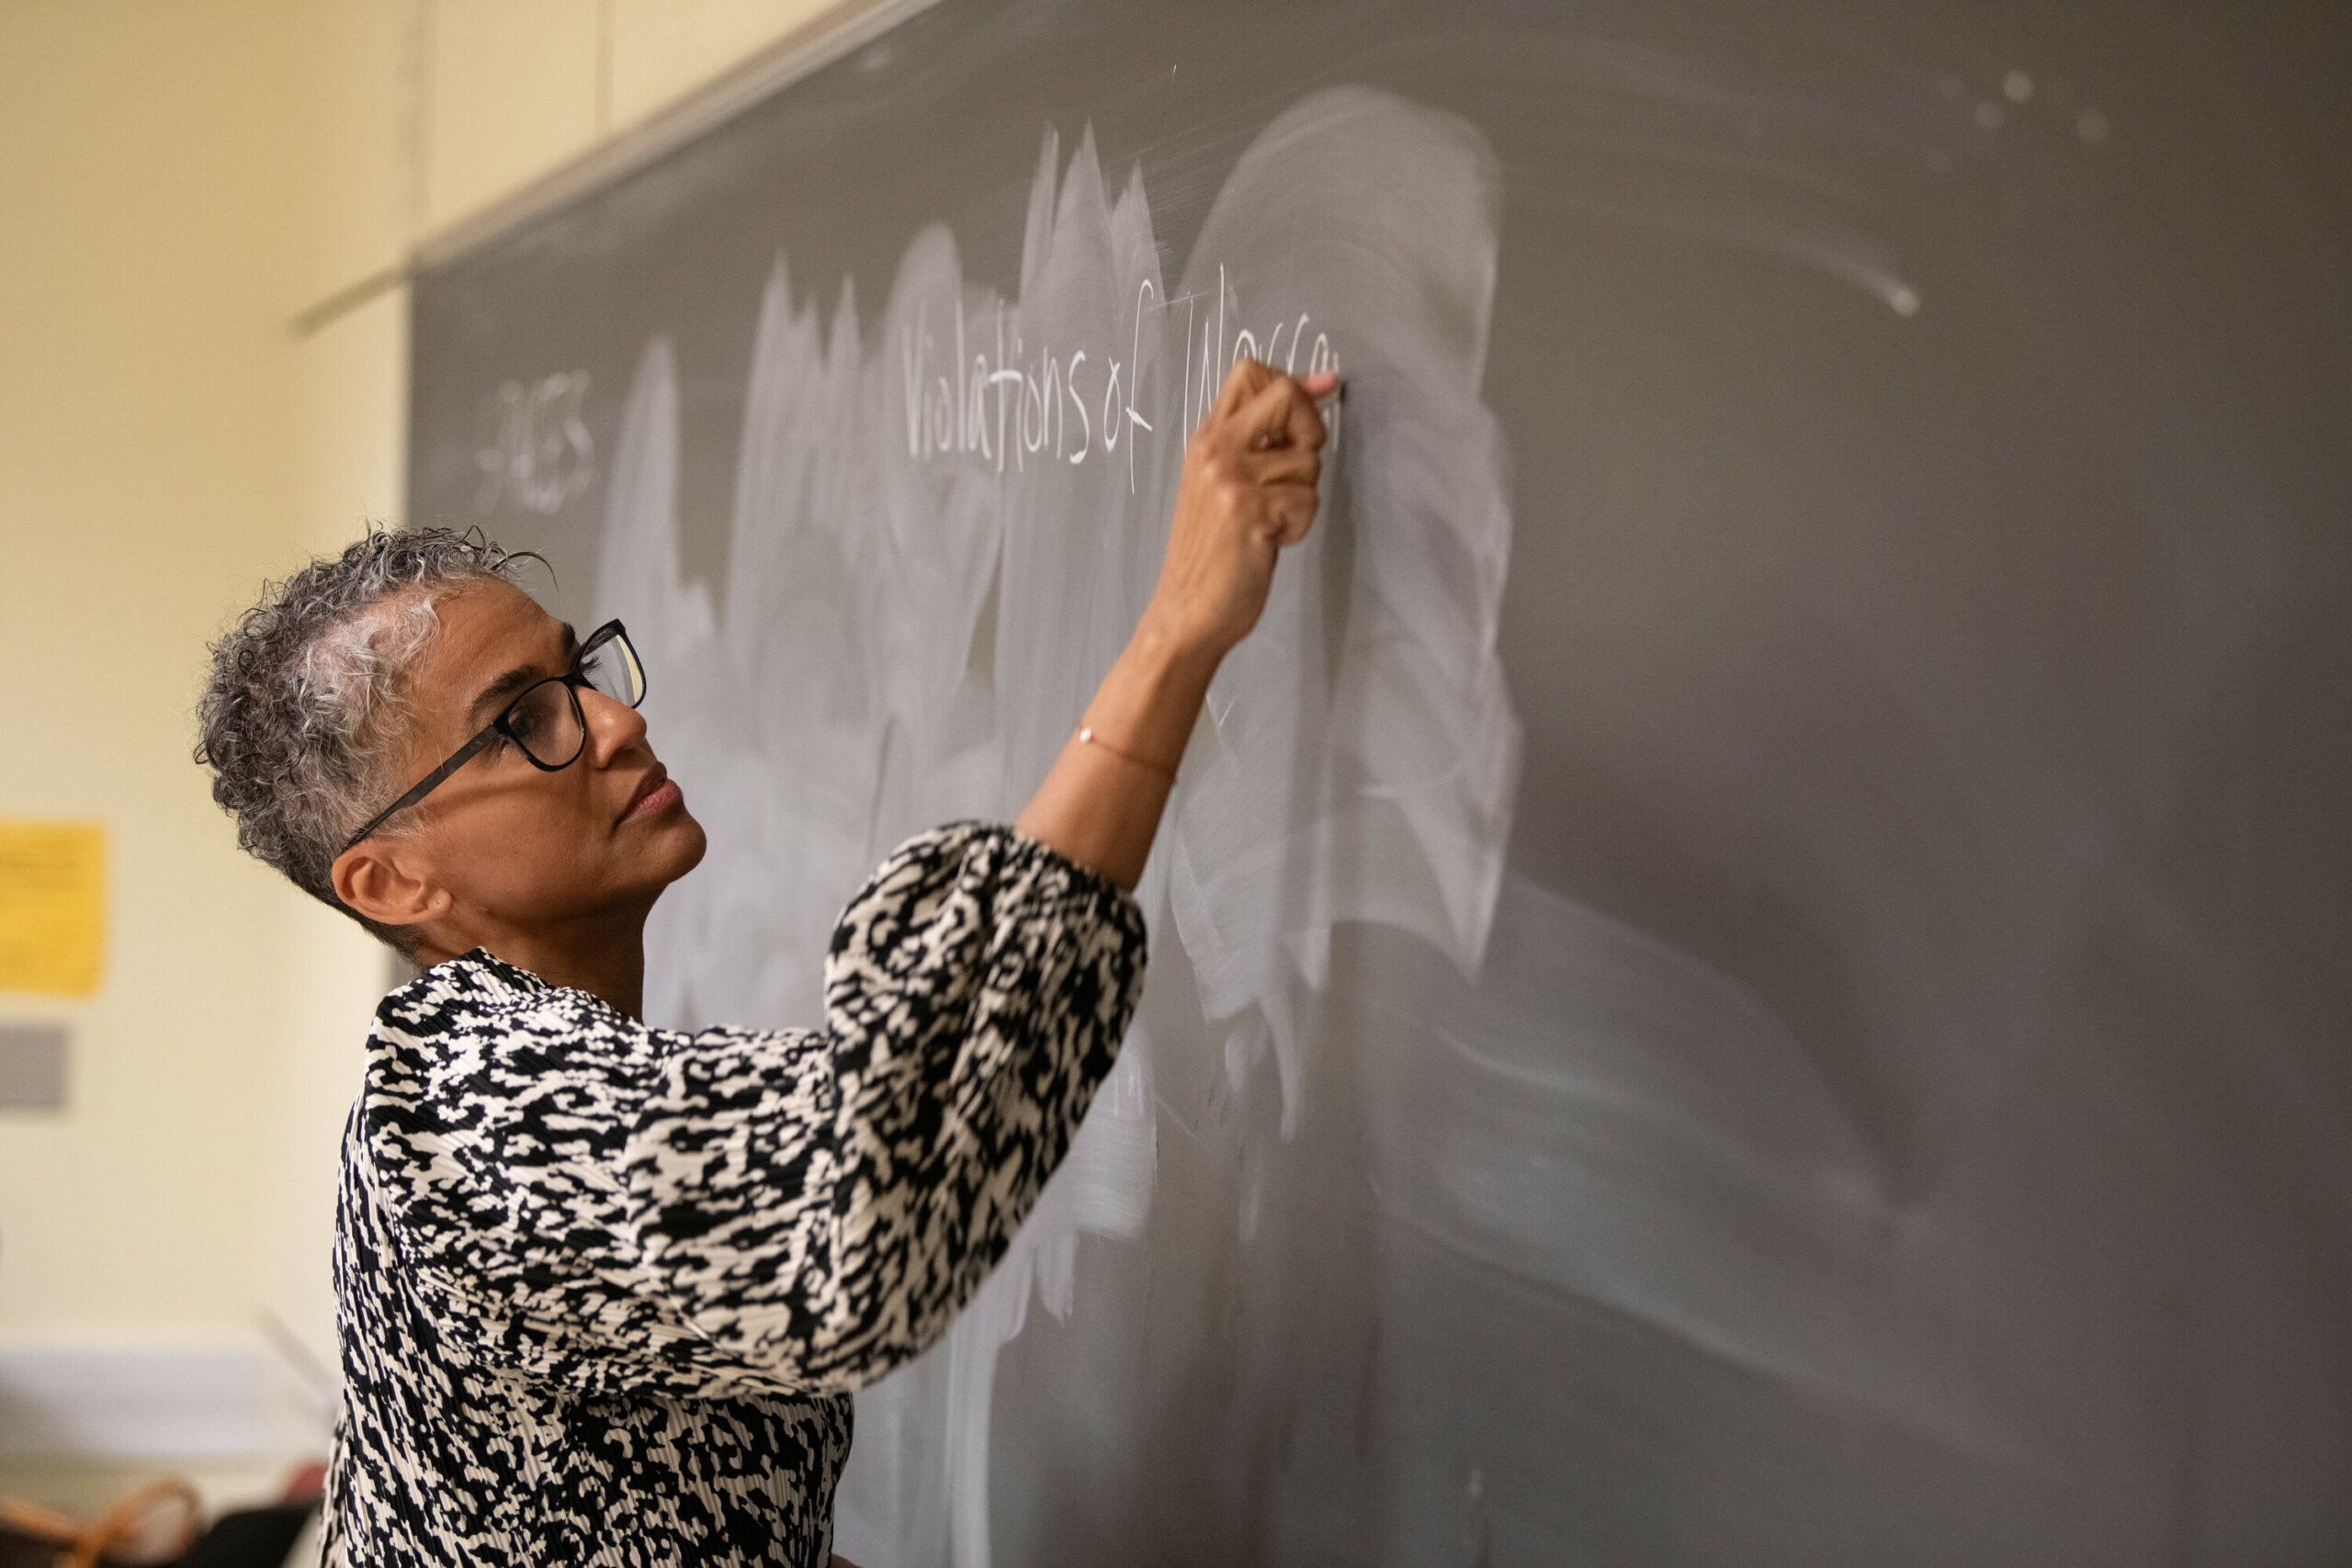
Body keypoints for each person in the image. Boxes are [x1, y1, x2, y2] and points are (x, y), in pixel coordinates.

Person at [195, 361, 1335, 1566]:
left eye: (581, 674)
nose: (616, 721)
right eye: (523, 719)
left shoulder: (564, 1074)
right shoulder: (479, 1110)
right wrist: (1179, 629)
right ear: (392, 882)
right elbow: (867, 1205)